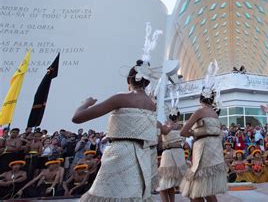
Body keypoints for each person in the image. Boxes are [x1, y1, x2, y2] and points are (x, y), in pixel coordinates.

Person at [72, 60, 157, 201]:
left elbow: (77, 118)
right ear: (147, 82)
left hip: (120, 154)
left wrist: (85, 103)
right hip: (142, 156)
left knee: (108, 195)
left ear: (129, 80)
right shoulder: (152, 105)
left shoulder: (121, 98)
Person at [179, 61, 227, 202]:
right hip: (215, 149)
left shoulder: (200, 111)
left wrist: (193, 134)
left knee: (198, 188)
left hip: (203, 148)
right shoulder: (215, 114)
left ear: (201, 98)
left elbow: (183, 132)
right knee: (207, 187)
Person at [159, 109, 187, 202]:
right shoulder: (181, 127)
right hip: (179, 154)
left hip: (168, 154)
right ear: (178, 117)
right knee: (170, 183)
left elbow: (160, 140)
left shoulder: (165, 127)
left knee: (164, 184)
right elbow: (184, 142)